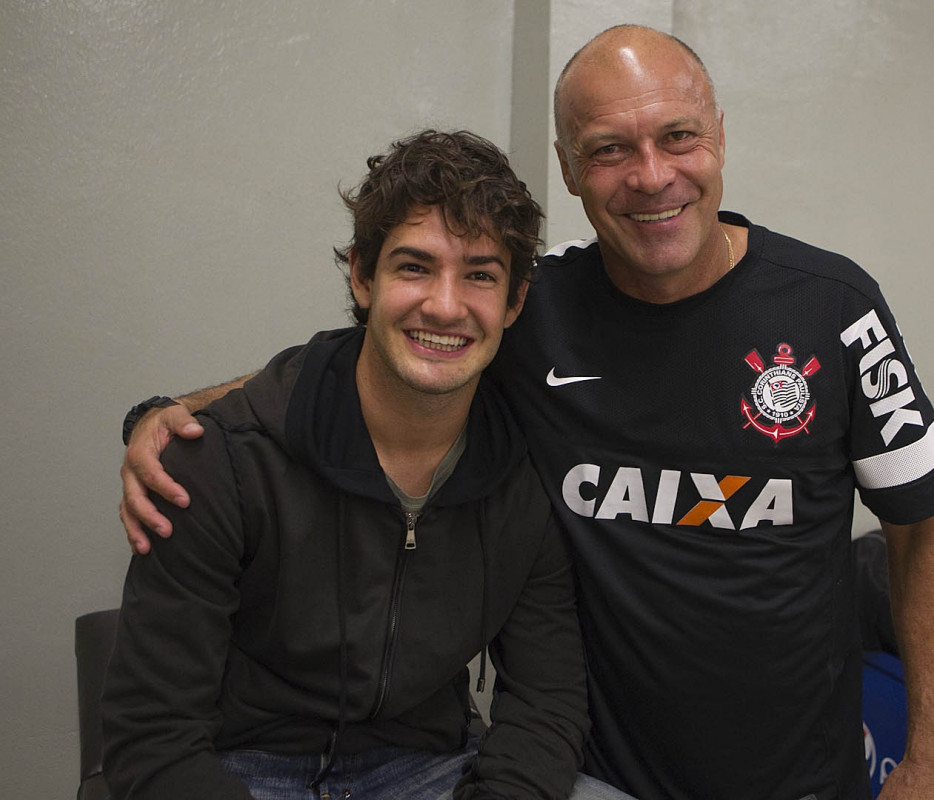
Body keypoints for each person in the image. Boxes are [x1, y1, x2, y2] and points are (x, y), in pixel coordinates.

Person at [119, 26, 934, 800]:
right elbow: (355, 364)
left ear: (718, 137)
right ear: (568, 167)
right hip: (603, 770)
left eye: (678, 136)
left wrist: (929, 764)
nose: (651, 174)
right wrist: (172, 417)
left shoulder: (834, 310)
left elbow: (924, 528)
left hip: (798, 779)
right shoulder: (536, 308)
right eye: (609, 149)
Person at [101, 130, 635, 800]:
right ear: (362, 275)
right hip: (236, 764)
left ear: (513, 302)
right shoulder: (221, 462)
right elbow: (151, 738)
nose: (445, 305)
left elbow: (546, 705)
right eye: (414, 267)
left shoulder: (523, 480)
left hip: (422, 767)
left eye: (479, 274)